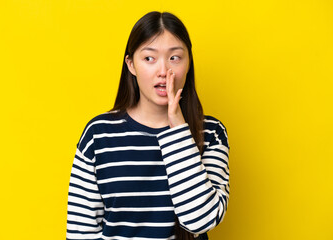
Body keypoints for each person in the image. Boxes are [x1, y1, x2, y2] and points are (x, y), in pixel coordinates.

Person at [66, 11, 230, 240]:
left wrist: (179, 128)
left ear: (189, 63)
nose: (163, 71)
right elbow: (80, 233)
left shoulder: (211, 134)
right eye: (149, 58)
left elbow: (199, 220)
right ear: (131, 65)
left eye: (175, 58)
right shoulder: (98, 135)